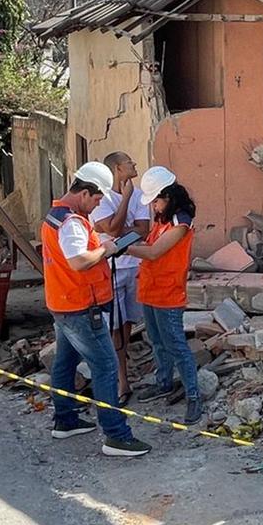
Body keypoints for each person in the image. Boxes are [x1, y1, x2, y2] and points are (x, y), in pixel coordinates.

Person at [40, 161, 151, 457]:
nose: (99, 204)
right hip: (79, 306)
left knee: (64, 362)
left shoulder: (56, 215)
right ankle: (116, 435)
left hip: (62, 302)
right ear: (85, 192)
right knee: (105, 366)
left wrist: (99, 242)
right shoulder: (72, 222)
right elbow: (78, 261)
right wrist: (106, 249)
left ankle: (65, 420)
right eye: (98, 198)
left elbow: (70, 255)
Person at [127, 167, 202, 424]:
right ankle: (164, 383)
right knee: (157, 341)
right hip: (151, 289)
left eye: (156, 201)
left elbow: (153, 252)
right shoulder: (163, 218)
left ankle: (193, 395)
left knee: (176, 345)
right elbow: (150, 245)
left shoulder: (181, 222)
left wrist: (122, 247)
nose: (154, 207)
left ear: (168, 196)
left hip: (169, 293)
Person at [91, 151, 150, 405]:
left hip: (134, 266)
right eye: (130, 162)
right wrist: (124, 201)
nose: (134, 164)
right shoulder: (102, 197)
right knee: (114, 326)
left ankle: (122, 374)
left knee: (127, 324)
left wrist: (116, 228)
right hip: (111, 268)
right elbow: (113, 229)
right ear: (117, 168)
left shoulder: (139, 194)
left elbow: (143, 230)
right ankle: (120, 381)